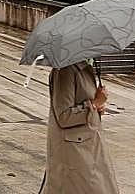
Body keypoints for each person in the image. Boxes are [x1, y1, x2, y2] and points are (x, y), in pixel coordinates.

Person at [45, 59, 119, 193]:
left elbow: (84, 102)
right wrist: (94, 104)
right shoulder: (65, 71)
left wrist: (98, 107)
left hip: (88, 144)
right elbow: (64, 116)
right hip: (74, 150)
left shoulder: (85, 68)